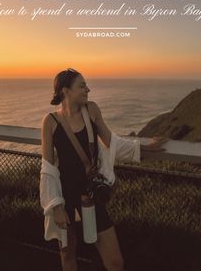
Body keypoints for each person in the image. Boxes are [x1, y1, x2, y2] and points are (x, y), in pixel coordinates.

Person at [41, 68, 168, 271]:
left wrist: (145, 147)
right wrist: (56, 206)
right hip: (65, 198)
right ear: (65, 91)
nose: (87, 89)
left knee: (115, 262)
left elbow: (111, 142)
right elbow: (47, 168)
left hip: (92, 194)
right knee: (67, 256)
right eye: (82, 86)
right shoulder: (50, 122)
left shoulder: (92, 110)